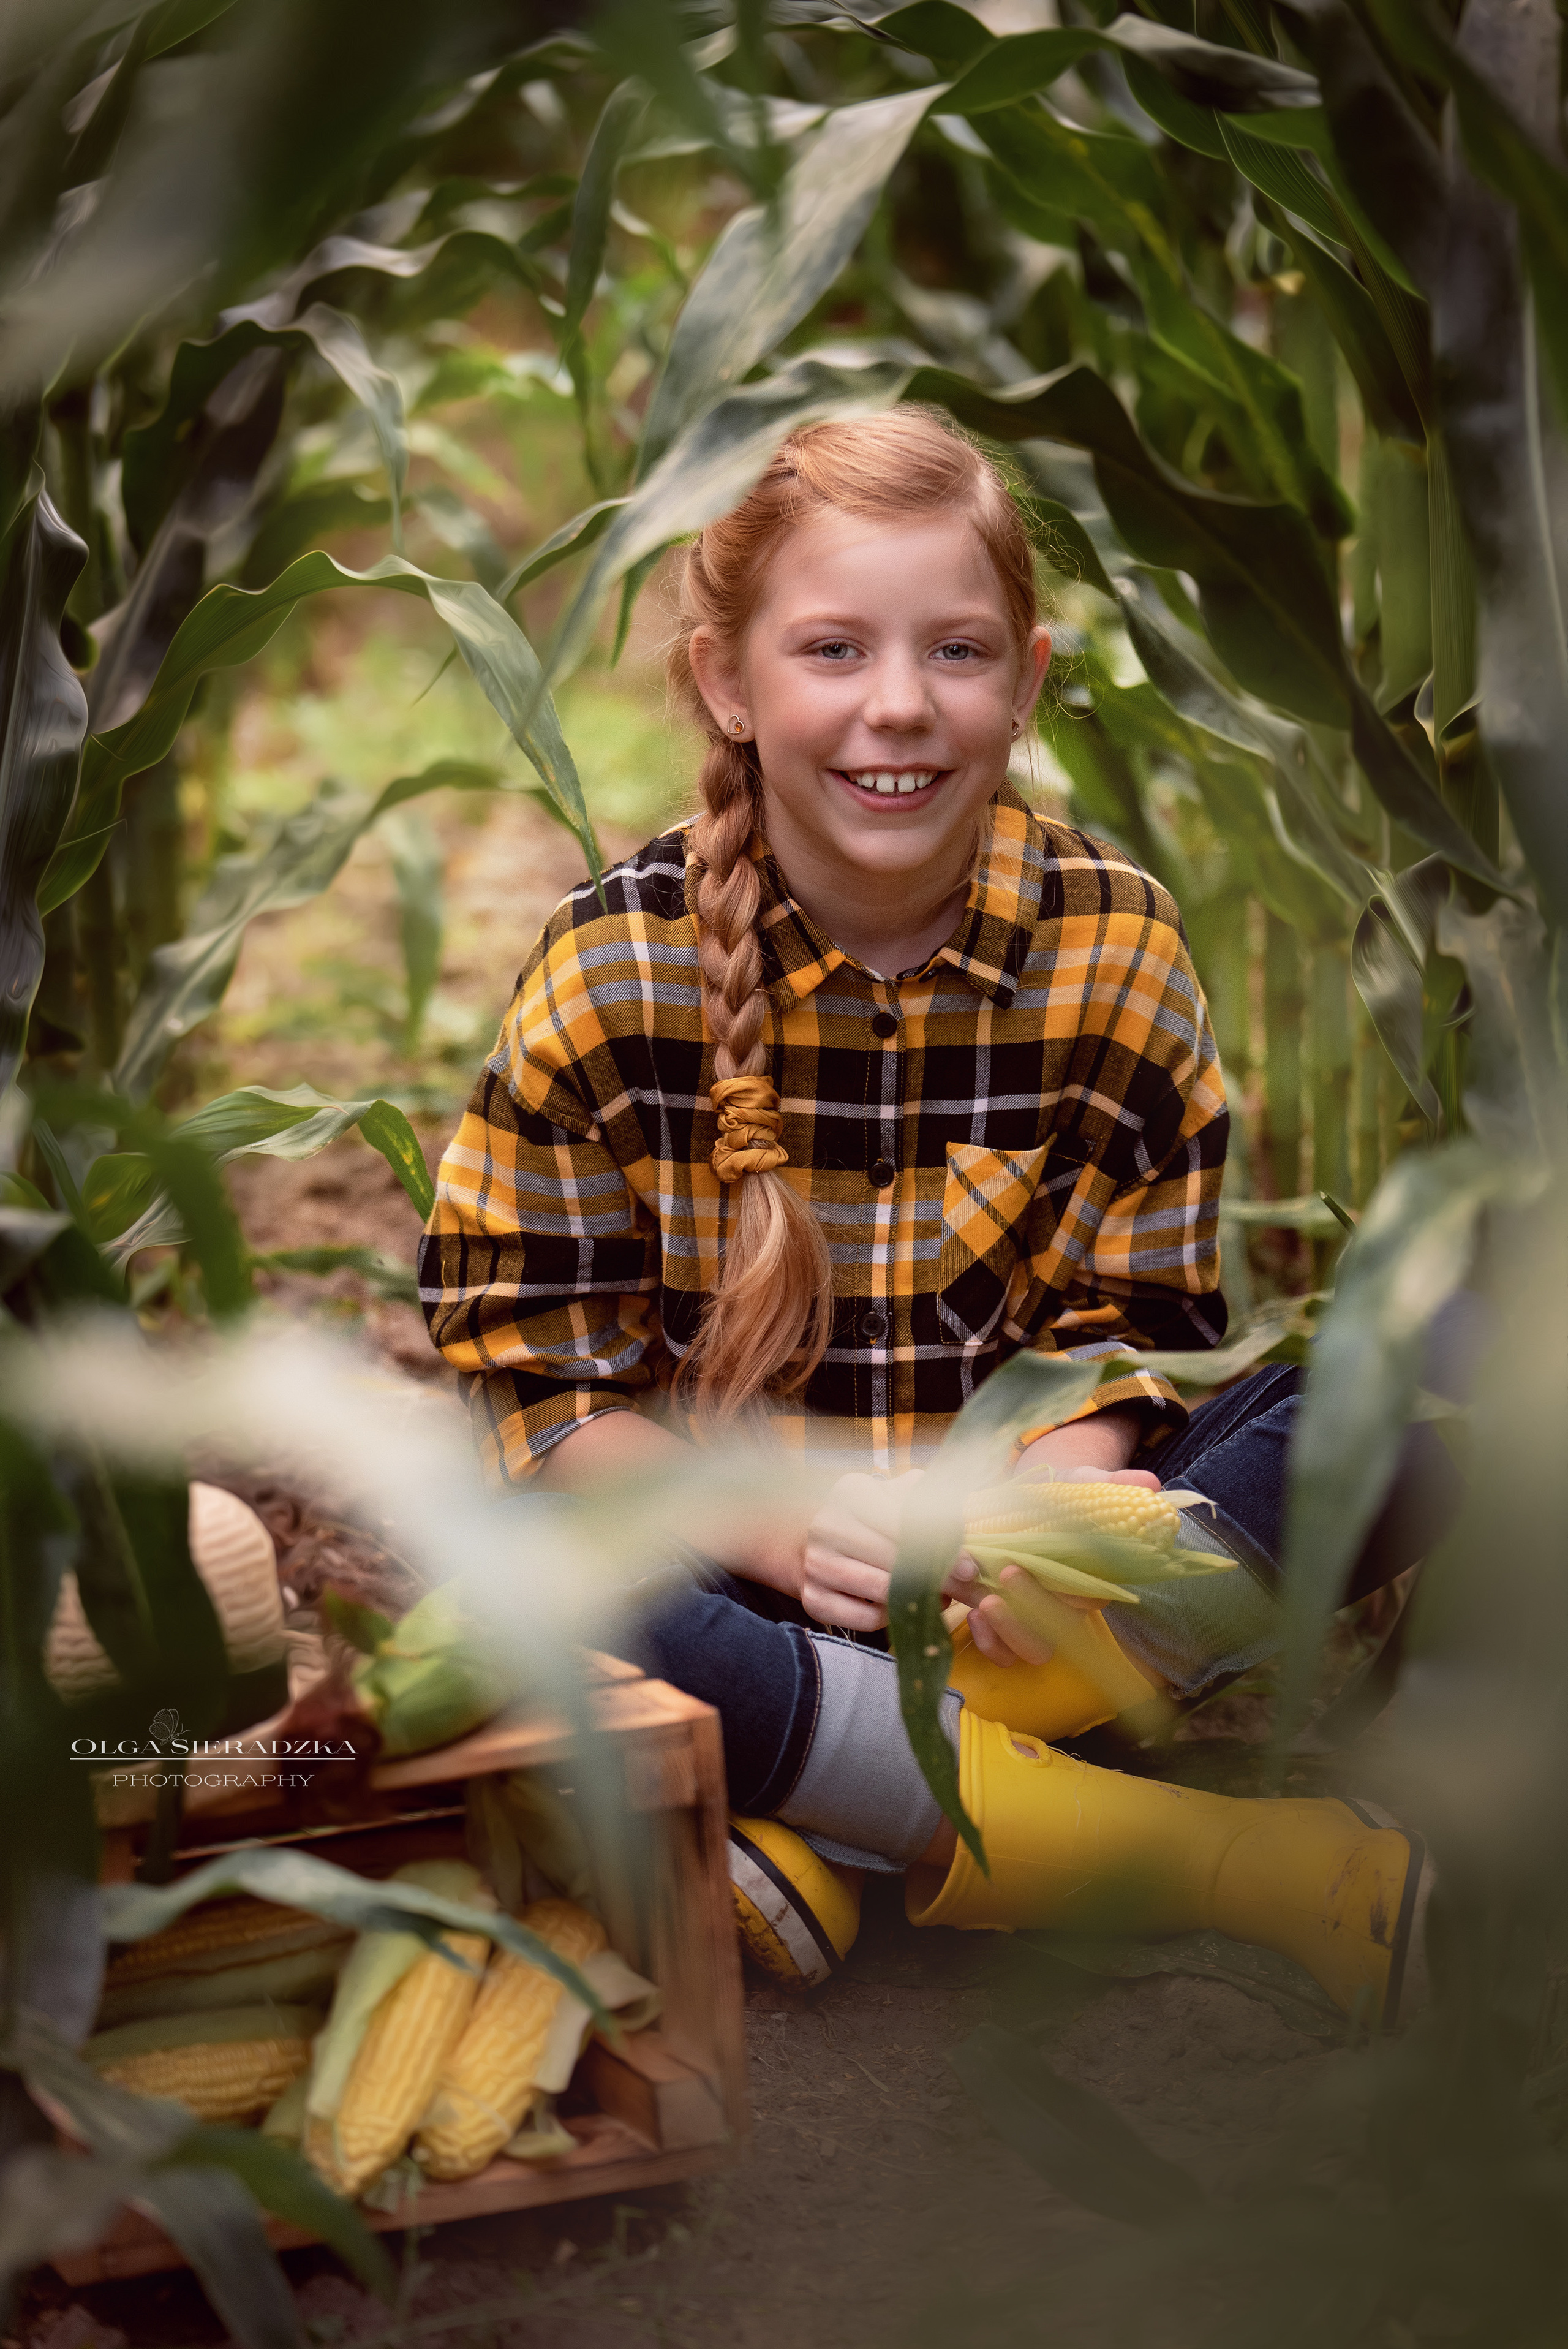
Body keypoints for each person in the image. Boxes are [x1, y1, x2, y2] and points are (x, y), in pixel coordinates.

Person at [420, 411, 1445, 2024]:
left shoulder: (1117, 942)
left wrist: (1034, 1515)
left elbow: (1134, 1324)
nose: (897, 704)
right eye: (832, 648)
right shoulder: (612, 969)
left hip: (1032, 1581)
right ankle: (1220, 1859)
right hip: (744, 1585)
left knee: (1441, 1363)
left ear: (1027, 680)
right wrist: (787, 1530)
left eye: (955, 650)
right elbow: (543, 1394)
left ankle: (841, 1804)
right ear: (728, 681)